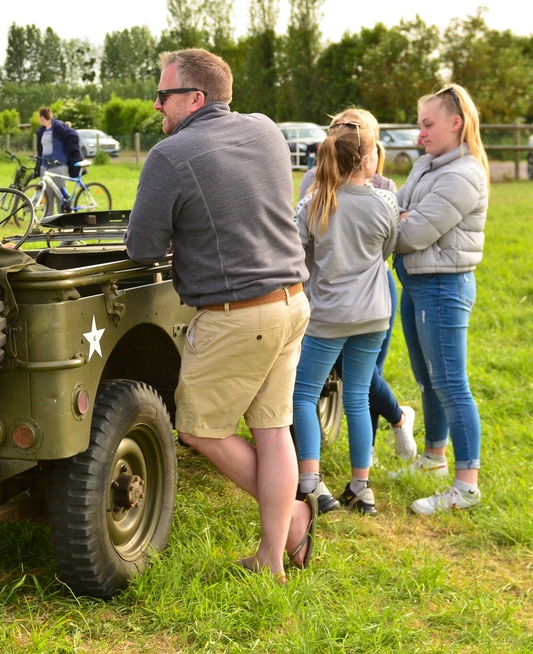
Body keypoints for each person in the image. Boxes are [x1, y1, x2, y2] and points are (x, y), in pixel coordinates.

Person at [124, 48, 314, 583]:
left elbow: (141, 248)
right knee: (273, 429)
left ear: (194, 98)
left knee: (199, 428)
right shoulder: (266, 131)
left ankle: (296, 517)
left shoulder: (169, 154)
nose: (156, 105)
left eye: (163, 95)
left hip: (239, 312)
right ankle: (272, 556)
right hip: (293, 300)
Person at [296, 109, 416, 509]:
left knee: (303, 394)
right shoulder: (385, 201)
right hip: (374, 314)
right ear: (369, 160)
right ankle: (361, 488)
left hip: (328, 314)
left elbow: (298, 255)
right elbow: (385, 252)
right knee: (359, 395)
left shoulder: (313, 203)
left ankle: (311, 481)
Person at [391, 84, 489, 515]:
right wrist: (400, 216)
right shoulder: (428, 166)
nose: (419, 135)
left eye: (427, 125)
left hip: (443, 287)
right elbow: (395, 211)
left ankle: (466, 486)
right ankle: (433, 459)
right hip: (418, 283)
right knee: (428, 378)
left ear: (456, 123)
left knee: (451, 383)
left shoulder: (462, 175)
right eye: (419, 125)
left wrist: (400, 219)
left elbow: (411, 233)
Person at [35, 107, 84, 215]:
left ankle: (63, 223)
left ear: (42, 117)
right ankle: (48, 222)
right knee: (47, 197)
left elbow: (73, 135)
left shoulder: (58, 126)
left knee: (60, 197)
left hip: (58, 167)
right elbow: (40, 149)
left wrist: (66, 151)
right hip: (45, 167)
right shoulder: (41, 131)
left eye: (39, 117)